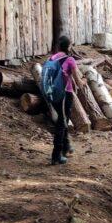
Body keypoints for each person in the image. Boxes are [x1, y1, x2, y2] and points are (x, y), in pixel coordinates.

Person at [43, 35, 78, 165]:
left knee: (63, 120)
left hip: (53, 94)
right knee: (61, 123)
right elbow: (78, 81)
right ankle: (56, 155)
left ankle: (66, 146)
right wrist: (83, 82)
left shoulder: (51, 58)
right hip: (64, 95)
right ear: (69, 46)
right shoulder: (69, 60)